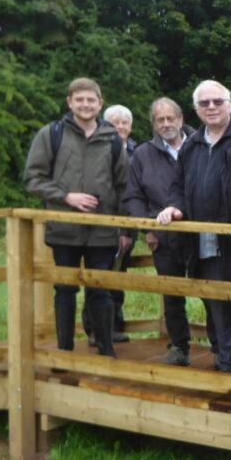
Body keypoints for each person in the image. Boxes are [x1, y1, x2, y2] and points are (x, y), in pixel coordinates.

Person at [156, 80, 231, 374]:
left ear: (230, 104)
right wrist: (174, 206)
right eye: (204, 103)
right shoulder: (192, 144)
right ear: (196, 109)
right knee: (216, 305)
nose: (211, 107)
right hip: (205, 243)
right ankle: (227, 364)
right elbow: (178, 186)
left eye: (217, 102)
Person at [22, 77, 131, 359]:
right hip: (64, 228)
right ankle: (64, 352)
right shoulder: (51, 134)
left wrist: (124, 228)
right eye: (79, 99)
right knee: (65, 290)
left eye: (90, 100)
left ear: (100, 104)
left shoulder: (113, 140)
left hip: (103, 230)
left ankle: (107, 352)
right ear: (70, 102)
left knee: (101, 290)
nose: (85, 105)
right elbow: (33, 179)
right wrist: (65, 196)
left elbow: (124, 187)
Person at [122, 97, 195, 366]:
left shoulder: (201, 146)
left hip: (202, 235)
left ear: (181, 118)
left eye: (170, 118)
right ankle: (179, 347)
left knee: (214, 294)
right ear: (153, 124)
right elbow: (133, 197)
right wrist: (147, 229)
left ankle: (222, 348)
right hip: (162, 237)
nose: (166, 124)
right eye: (160, 120)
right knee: (172, 295)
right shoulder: (142, 154)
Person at [82, 103, 138, 345]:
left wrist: (126, 230)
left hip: (128, 226)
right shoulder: (95, 149)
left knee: (118, 277)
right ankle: (95, 330)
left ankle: (114, 326)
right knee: (98, 277)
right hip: (100, 226)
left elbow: (133, 194)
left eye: (125, 123)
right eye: (116, 123)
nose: (121, 127)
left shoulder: (139, 152)